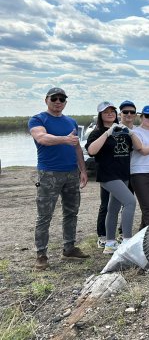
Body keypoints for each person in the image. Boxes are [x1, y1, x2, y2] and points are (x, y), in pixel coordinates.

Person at [28, 87, 89, 270]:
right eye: (54, 98)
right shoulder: (38, 119)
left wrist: (83, 170)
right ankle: (41, 255)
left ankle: (69, 248)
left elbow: (77, 147)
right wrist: (64, 139)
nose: (58, 101)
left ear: (65, 102)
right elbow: (42, 138)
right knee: (44, 216)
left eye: (62, 99)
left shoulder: (71, 121)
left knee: (71, 212)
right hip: (49, 174)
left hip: (71, 173)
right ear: (46, 100)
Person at [85, 102, 136, 254]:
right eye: (105, 112)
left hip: (123, 174)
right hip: (108, 175)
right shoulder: (96, 132)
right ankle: (127, 241)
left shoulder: (123, 131)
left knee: (112, 209)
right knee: (130, 202)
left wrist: (129, 132)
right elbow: (92, 151)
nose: (109, 113)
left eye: (112, 111)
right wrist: (107, 133)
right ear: (100, 115)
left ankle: (110, 244)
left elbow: (134, 150)